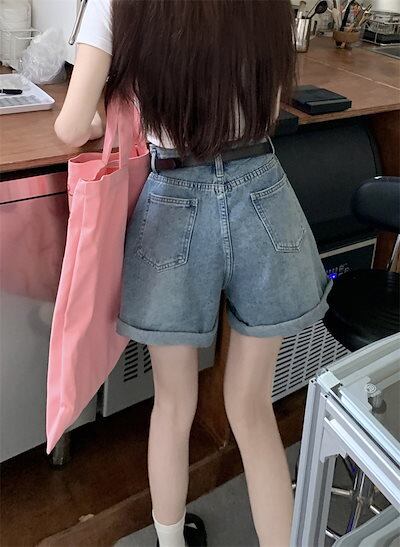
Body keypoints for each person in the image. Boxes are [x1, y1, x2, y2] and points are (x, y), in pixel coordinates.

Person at [54, 1, 333, 546]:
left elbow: (69, 129)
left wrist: (100, 116)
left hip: (174, 201)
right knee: (251, 408)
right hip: (262, 191)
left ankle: (172, 541)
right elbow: (271, 97)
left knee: (173, 405)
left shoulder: (114, 4)